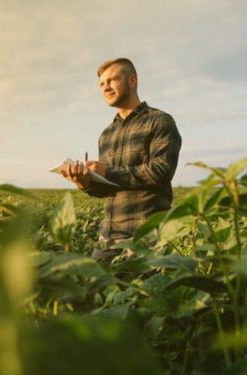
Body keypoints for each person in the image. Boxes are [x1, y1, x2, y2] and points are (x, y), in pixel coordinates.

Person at [61, 57, 182, 264]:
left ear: (132, 81)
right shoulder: (106, 134)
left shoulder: (159, 121)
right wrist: (86, 182)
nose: (105, 87)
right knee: (94, 290)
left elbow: (160, 171)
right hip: (107, 236)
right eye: (101, 84)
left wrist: (107, 171)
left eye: (112, 80)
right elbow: (108, 189)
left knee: (144, 293)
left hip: (146, 235)